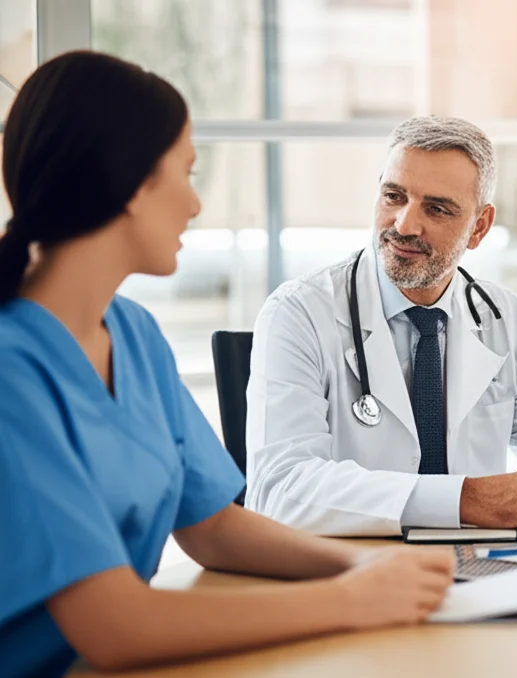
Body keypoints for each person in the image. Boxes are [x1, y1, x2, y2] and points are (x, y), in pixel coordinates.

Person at [0, 52, 454, 677]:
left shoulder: (132, 335)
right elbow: (114, 625)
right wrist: (346, 602)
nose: (195, 203)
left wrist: (362, 566)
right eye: (185, 172)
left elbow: (212, 526)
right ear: (130, 183)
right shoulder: (12, 372)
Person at [245, 116, 517, 537]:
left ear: (479, 228)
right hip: (352, 573)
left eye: (436, 209)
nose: (404, 225)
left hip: (478, 568)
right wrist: (466, 499)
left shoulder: (501, 315)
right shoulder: (299, 313)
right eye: (393, 196)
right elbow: (279, 490)